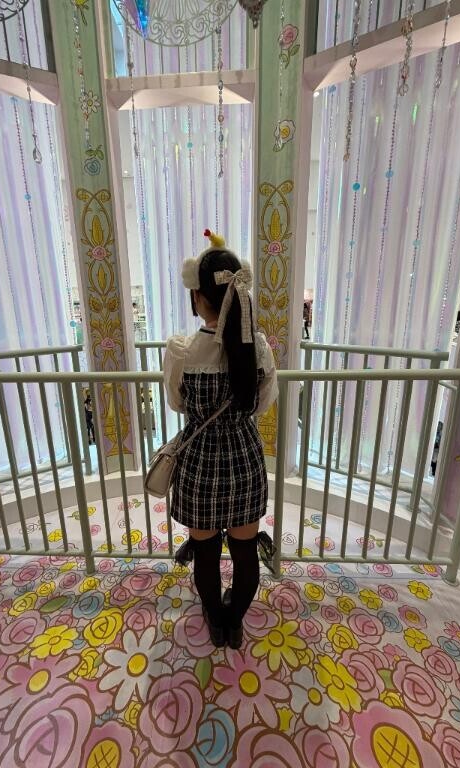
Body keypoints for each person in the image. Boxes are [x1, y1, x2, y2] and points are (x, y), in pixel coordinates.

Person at [163, 229, 278, 648]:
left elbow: (177, 403)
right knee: (245, 553)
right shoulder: (258, 347)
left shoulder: (181, 350)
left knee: (206, 552)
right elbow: (262, 404)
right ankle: (235, 621)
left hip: (199, 466)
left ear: (198, 297)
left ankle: (215, 619)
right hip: (245, 462)